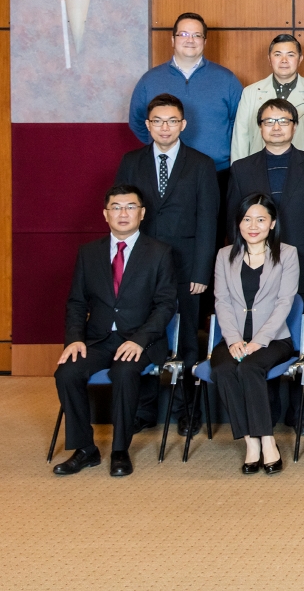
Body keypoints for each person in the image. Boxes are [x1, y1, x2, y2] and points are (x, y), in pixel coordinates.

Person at [224, 98, 304, 435]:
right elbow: (233, 223)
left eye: (283, 121)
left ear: (294, 125)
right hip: (255, 270)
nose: (276, 127)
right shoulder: (242, 169)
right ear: (259, 128)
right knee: (264, 339)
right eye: (269, 121)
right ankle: (268, 413)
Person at [52, 186, 177, 477]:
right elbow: (76, 302)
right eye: (116, 207)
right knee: (67, 372)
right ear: (105, 214)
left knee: (124, 371)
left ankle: (120, 450)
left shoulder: (159, 253)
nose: (123, 213)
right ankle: (85, 449)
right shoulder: (89, 253)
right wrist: (73, 340)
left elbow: (165, 306)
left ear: (142, 213)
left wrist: (140, 340)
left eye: (130, 207)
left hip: (140, 340)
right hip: (97, 339)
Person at [115, 93, 218, 436]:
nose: (165, 127)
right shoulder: (131, 161)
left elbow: (208, 221)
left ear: (183, 125)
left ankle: (187, 410)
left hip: (188, 266)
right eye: (157, 121)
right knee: (142, 333)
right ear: (147, 125)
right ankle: (144, 409)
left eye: (172, 121)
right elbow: (124, 215)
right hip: (142, 266)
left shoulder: (202, 164)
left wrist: (203, 271)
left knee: (187, 338)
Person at [210, 193, 300, 475]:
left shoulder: (287, 254)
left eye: (260, 219)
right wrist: (235, 339)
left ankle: (268, 440)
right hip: (234, 337)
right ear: (238, 223)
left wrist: (259, 341)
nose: (253, 225)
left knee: (249, 368)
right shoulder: (225, 256)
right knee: (223, 368)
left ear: (272, 223)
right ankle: (251, 442)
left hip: (274, 339)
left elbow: (286, 301)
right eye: (247, 219)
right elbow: (221, 301)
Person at [128, 12, 242, 174]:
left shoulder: (227, 79)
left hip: (217, 171)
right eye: (183, 34)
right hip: (165, 170)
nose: (190, 40)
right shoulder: (149, 80)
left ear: (204, 41)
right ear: (173, 40)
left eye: (197, 35)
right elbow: (138, 122)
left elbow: (240, 123)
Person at [230, 33, 304, 162]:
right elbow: (241, 137)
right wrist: (238, 172)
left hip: (303, 167)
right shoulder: (250, 92)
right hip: (259, 167)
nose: (284, 60)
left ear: (300, 59)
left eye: (290, 55)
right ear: (269, 59)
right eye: (278, 55)